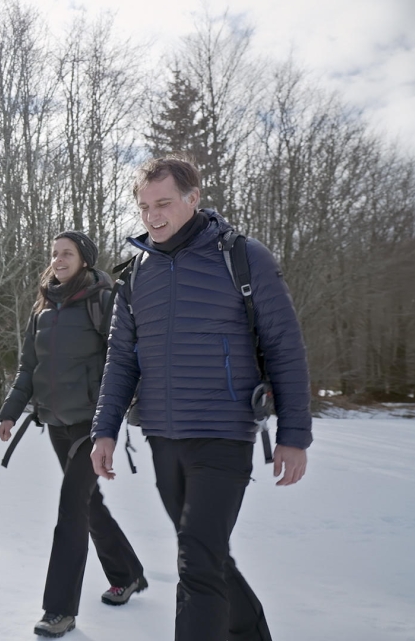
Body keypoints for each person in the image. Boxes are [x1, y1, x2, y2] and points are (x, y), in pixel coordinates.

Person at [90, 156, 312, 641]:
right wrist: (104, 429)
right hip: (163, 435)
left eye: (163, 203)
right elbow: (121, 361)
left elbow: (284, 347)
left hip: (223, 432)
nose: (152, 216)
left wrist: (294, 435)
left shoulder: (243, 256)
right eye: (144, 206)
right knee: (208, 554)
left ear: (193, 199)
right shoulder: (135, 274)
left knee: (196, 560)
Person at [0, 231, 147, 638]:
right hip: (56, 423)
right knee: (88, 503)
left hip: (90, 425)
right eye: (54, 253)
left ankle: (59, 609)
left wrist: (112, 420)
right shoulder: (43, 306)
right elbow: (28, 367)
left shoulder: (104, 300)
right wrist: (11, 412)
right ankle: (128, 573)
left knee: (70, 510)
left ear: (84, 259)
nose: (59, 259)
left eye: (67, 253)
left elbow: (122, 360)